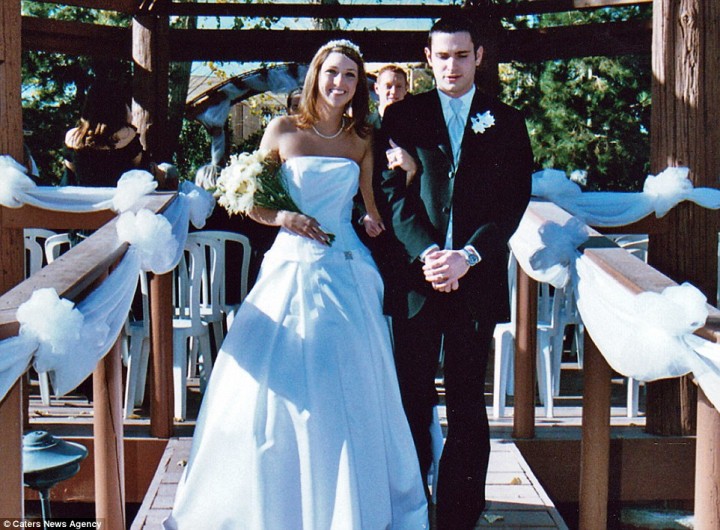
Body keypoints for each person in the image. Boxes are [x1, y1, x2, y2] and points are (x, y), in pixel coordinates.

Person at [164, 39, 429, 530]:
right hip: (291, 259)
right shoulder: (282, 129)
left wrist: (391, 199)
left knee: (348, 378)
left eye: (350, 75)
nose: (339, 83)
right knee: (280, 381)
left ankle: (349, 502)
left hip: (346, 265)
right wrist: (284, 217)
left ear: (359, 85)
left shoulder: (362, 137)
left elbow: (372, 207)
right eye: (332, 72)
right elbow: (251, 200)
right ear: (315, 76)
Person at [379, 15, 533, 530]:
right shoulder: (402, 117)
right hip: (417, 280)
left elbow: (513, 200)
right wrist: (428, 253)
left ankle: (459, 516)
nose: (452, 65)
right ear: (428, 58)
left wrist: (468, 255)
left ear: (478, 57)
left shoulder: (507, 121)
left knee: (467, 400)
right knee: (410, 395)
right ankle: (408, 509)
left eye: (462, 55)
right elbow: (390, 194)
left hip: (475, 280)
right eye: (442, 56)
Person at [61, 82, 172, 189]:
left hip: (86, 197)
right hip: (121, 197)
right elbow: (138, 167)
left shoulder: (73, 137)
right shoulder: (127, 136)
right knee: (169, 170)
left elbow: (71, 172)